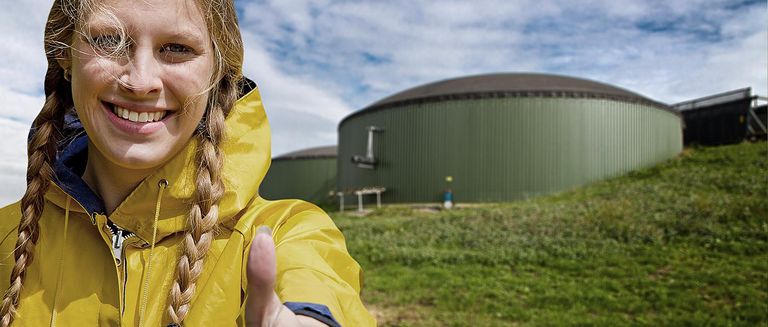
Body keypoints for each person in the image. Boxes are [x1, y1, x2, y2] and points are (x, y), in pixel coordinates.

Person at [0, 0, 375, 326]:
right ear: (65, 56)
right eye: (108, 41)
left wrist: (313, 318)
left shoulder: (280, 233)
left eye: (176, 48)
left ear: (216, 73)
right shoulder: (7, 236)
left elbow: (318, 279)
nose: (140, 80)